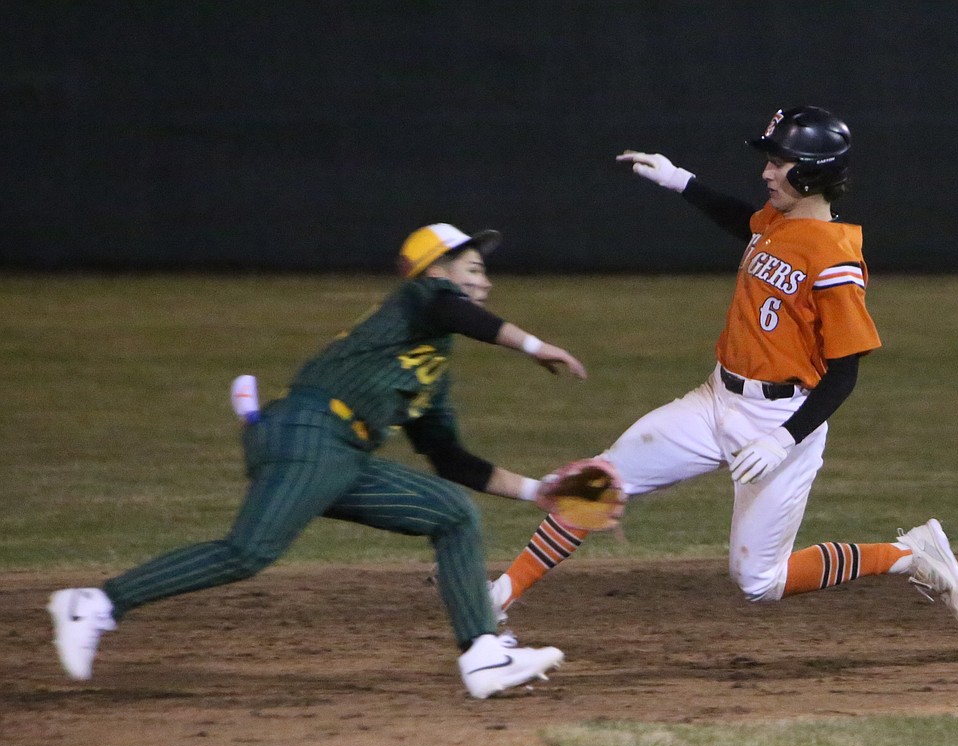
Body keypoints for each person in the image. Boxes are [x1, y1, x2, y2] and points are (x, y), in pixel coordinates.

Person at [48, 223, 586, 699]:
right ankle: (94, 604)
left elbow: (451, 459)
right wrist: (536, 346)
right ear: (437, 270)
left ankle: (483, 656)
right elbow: (453, 308)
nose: (485, 283)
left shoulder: (431, 365)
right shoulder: (418, 300)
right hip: (311, 433)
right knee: (248, 552)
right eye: (474, 269)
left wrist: (539, 492)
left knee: (452, 511)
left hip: (336, 452)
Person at [490, 106, 958, 624]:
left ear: (812, 171)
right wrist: (681, 181)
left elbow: (845, 374)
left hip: (780, 422)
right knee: (598, 480)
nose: (767, 171)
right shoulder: (778, 223)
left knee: (761, 582)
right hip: (715, 400)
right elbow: (742, 223)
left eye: (780, 162)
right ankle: (498, 597)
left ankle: (908, 556)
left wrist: (781, 440)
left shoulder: (836, 261)